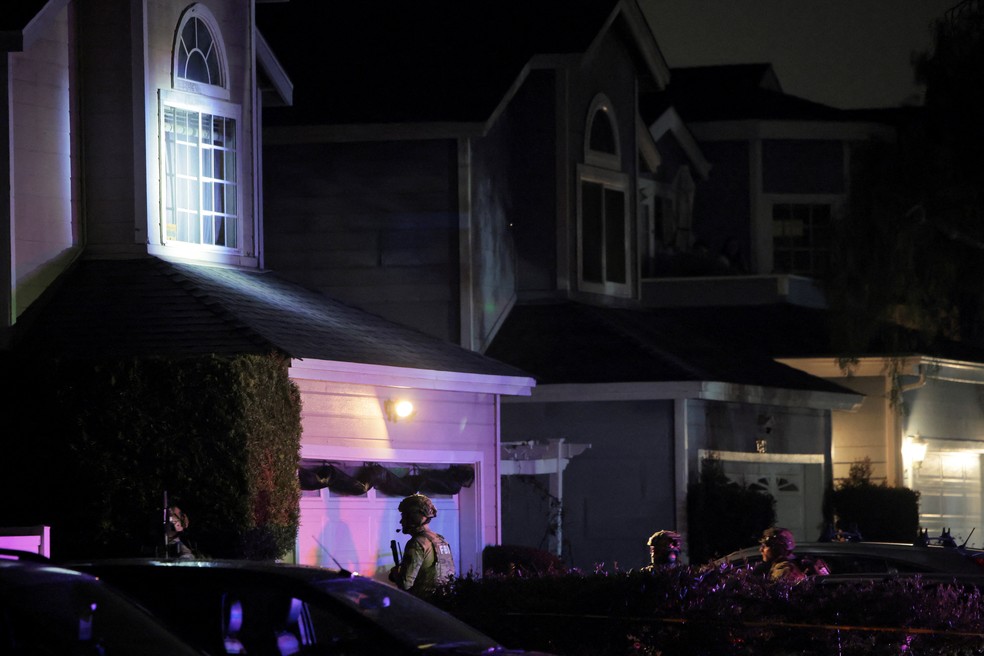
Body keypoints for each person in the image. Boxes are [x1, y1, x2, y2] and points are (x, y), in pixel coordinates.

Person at [389, 494, 455, 597]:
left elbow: (405, 584)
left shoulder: (417, 543)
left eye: (404, 516)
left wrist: (395, 574)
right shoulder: (441, 540)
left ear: (413, 517)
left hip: (424, 604)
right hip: (443, 603)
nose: (401, 521)